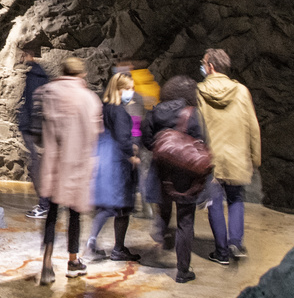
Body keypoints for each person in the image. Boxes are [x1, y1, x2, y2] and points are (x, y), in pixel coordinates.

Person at [30, 55, 102, 285]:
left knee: (51, 214)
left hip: (53, 162)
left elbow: (38, 125)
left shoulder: (47, 92)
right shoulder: (88, 98)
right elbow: (94, 133)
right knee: (74, 215)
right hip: (77, 164)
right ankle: (73, 261)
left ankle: (47, 265)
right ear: (82, 74)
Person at [197, 48, 261, 265]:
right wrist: (255, 157)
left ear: (211, 66)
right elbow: (253, 126)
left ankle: (222, 252)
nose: (203, 66)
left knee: (214, 203)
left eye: (204, 63)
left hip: (210, 159)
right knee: (236, 199)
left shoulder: (199, 92)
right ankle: (236, 242)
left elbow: (196, 127)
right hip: (236, 157)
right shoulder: (241, 91)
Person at [142, 75, 207, 283]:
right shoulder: (193, 114)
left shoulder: (153, 113)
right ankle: (182, 271)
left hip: (161, 172)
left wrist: (164, 150)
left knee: (164, 209)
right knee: (185, 222)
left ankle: (163, 239)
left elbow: (147, 141)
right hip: (186, 177)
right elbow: (201, 143)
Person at [85, 72, 142, 262]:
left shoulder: (106, 107)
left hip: (106, 161)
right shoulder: (118, 111)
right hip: (119, 164)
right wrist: (132, 155)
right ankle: (118, 248)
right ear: (118, 90)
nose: (131, 92)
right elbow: (123, 138)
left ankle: (93, 240)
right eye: (128, 89)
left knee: (108, 206)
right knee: (122, 208)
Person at [16, 44, 51, 219]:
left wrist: (29, 127)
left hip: (34, 130)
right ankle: (46, 203)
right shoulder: (38, 73)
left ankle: (45, 205)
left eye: (22, 54)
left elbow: (33, 104)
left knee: (38, 169)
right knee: (39, 168)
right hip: (35, 128)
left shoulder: (36, 75)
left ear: (27, 54)